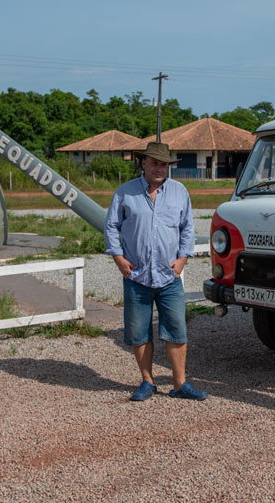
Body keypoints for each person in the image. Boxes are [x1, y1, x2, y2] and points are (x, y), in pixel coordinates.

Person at [104, 141, 206, 402]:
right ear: (144, 163)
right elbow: (111, 226)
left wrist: (182, 258)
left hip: (168, 276)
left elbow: (187, 228)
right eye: (155, 163)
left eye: (164, 164)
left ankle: (180, 384)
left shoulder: (179, 192)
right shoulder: (125, 193)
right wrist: (118, 258)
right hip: (136, 275)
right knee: (138, 332)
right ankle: (147, 381)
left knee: (177, 330)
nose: (160, 168)